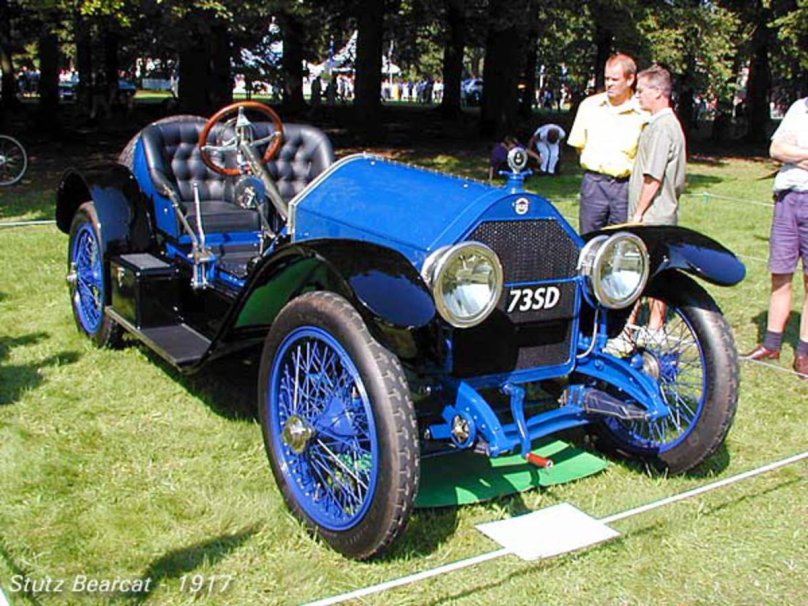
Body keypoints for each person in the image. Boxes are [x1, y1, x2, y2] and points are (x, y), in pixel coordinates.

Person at [743, 96, 808, 380]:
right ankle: (771, 344)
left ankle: (804, 353)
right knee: (780, 274)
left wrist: (795, 152)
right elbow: (776, 149)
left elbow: (786, 151)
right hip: (787, 199)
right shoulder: (799, 108)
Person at [567, 53, 647, 233]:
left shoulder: (643, 112)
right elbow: (579, 146)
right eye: (607, 78)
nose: (609, 83)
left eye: (615, 79)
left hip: (625, 187)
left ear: (630, 79)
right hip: (594, 184)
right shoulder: (589, 106)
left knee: (622, 241)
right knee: (589, 239)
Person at [628, 65, 686, 226]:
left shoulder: (662, 128)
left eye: (641, 91)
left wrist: (637, 215)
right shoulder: (658, 124)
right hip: (652, 216)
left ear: (658, 92)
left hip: (652, 218)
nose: (637, 96)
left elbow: (653, 177)